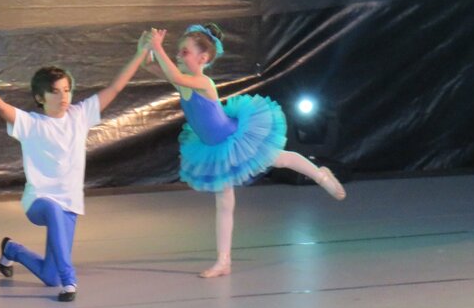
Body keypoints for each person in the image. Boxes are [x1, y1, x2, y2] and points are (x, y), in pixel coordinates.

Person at [147, 24, 346, 279]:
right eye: (178, 51)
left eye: (183, 52)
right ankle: (223, 262)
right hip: (213, 148)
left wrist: (157, 47)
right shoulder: (183, 82)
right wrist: (147, 51)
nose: (177, 55)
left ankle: (321, 175)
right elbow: (154, 68)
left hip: (233, 138)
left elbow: (175, 76)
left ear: (203, 58)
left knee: (280, 158)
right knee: (224, 203)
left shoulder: (203, 82)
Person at [0, 36, 152, 302]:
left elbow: (115, 88)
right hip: (39, 201)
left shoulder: (80, 115)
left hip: (70, 204)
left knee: (49, 276)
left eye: (66, 90)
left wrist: (140, 53)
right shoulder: (31, 123)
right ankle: (70, 280)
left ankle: (12, 250)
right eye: (55, 92)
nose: (63, 96)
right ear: (39, 97)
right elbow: (0, 106)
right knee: (54, 215)